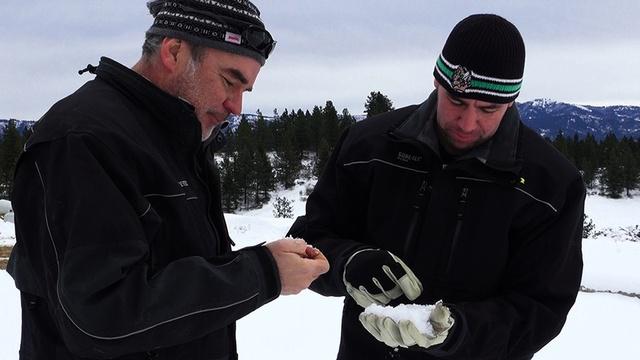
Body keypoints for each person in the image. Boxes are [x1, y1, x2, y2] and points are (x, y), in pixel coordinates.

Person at [7, 1, 329, 359]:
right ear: (174, 51)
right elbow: (103, 315)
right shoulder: (85, 140)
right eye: (229, 81)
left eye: (245, 91)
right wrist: (264, 272)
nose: (236, 106)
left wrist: (261, 265)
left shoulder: (179, 136)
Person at [292, 14, 585, 360]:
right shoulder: (368, 148)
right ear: (437, 81)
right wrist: (348, 263)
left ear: (511, 101)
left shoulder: (549, 186)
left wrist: (457, 332)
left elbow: (540, 309)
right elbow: (309, 240)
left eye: (488, 109)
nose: (467, 122)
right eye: (457, 102)